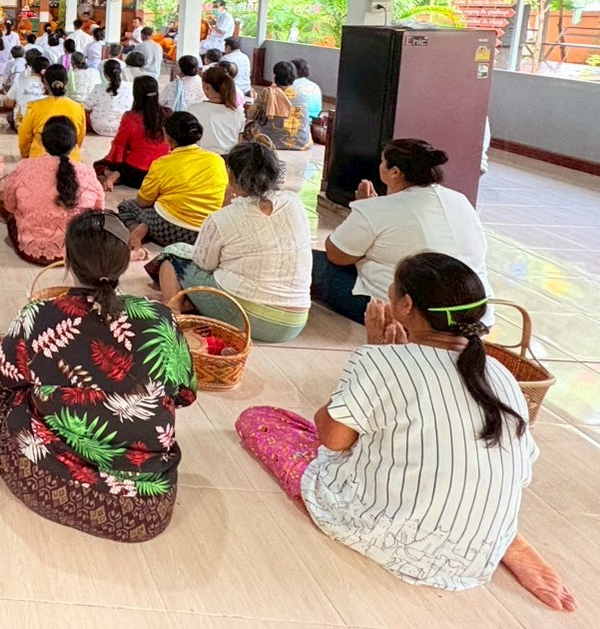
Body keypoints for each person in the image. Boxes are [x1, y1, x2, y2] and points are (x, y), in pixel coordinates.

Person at [236, 252, 572, 612]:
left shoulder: (382, 360)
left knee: (260, 419)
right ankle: (505, 537)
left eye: (392, 291)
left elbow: (332, 438)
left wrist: (375, 353)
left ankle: (487, 533)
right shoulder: (502, 374)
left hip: (394, 537)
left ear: (406, 305)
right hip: (478, 548)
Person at [0, 210, 197, 540]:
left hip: (46, 483)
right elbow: (185, 394)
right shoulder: (161, 320)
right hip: (143, 511)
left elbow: (8, 377)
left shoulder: (40, 316)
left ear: (65, 257)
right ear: (126, 260)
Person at [313, 138, 491, 325]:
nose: (379, 166)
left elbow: (337, 255)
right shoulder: (460, 200)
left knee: (309, 261)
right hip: (474, 314)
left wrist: (363, 207)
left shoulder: (379, 208)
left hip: (408, 315)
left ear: (395, 172)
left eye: (382, 162)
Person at [154, 142, 312, 343]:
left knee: (172, 257)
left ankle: (174, 312)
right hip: (295, 322)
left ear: (232, 176)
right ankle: (190, 304)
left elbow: (204, 264)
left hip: (249, 317)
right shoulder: (294, 202)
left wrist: (224, 206)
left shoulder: (225, 217)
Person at [0, 116, 106, 265]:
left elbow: (9, 205)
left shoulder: (24, 167)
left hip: (30, 249)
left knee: (12, 218)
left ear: (42, 142)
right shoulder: (87, 172)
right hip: (76, 252)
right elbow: (99, 209)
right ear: (75, 145)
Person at [112, 111, 227, 250]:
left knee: (126, 206)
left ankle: (139, 231)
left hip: (167, 228)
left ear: (166, 135)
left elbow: (143, 202)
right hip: (203, 234)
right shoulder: (217, 161)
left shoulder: (162, 163)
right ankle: (146, 228)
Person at [95, 75, 170, 190]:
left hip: (136, 174)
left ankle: (114, 176)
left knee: (100, 165)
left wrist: (115, 164)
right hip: (163, 173)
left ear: (136, 94)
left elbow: (120, 145)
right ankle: (117, 175)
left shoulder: (131, 117)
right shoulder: (168, 114)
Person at [17, 63, 87, 160]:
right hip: (71, 159)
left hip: (39, 158)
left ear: (44, 82)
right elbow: (80, 137)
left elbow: (24, 136)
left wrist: (26, 157)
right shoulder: (78, 107)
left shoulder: (34, 106)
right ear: (66, 82)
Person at [244, 60, 313, 152]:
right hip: (302, 141)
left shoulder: (268, 92)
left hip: (272, 140)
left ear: (275, 76)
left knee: (248, 129)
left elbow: (251, 115)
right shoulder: (302, 92)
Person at [186, 64, 244, 155]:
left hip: (202, 160)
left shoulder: (193, 110)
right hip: (230, 161)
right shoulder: (239, 112)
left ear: (206, 87)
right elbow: (239, 141)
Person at [84, 58, 131, 137]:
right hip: (122, 128)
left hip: (98, 127)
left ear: (104, 74)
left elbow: (87, 108)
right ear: (120, 72)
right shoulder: (130, 87)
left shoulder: (98, 87)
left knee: (81, 110)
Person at [2, 50, 48, 127]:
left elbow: (8, 104)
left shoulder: (20, 81)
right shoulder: (48, 85)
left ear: (31, 68)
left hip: (22, 124)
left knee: (10, 115)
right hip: (43, 123)